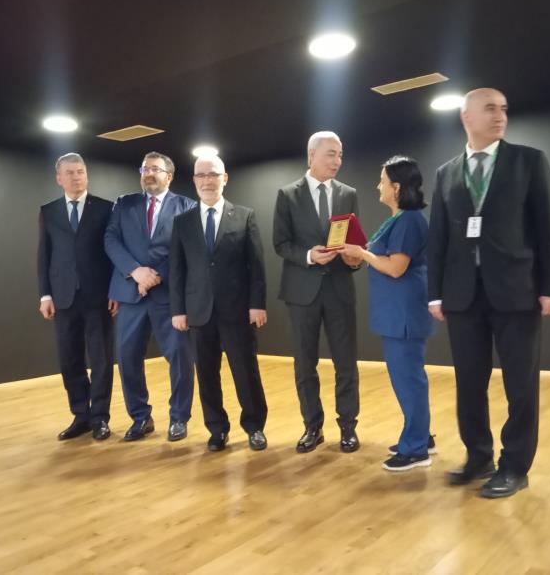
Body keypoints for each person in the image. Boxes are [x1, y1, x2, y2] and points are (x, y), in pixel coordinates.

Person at [428, 88, 550, 498]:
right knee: (469, 382)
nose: (500, 115)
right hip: (462, 295)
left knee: (520, 384)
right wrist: (435, 293)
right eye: (490, 108)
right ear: (466, 117)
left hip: (517, 292)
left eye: (503, 108)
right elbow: (438, 238)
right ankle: (478, 456)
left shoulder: (528, 161)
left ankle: (515, 466)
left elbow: (546, 227)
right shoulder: (447, 173)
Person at [340, 156, 435, 471]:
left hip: (403, 314)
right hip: (396, 313)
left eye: (382, 181)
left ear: (396, 187)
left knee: (409, 381)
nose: (377, 186)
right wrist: (359, 253)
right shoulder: (399, 219)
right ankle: (420, 437)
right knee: (409, 378)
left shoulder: (409, 221)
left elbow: (396, 268)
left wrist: (363, 253)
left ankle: (416, 449)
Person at [169, 155, 268, 452]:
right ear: (194, 180)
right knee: (206, 374)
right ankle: (217, 429)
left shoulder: (244, 216)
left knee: (245, 371)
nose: (207, 181)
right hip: (198, 311)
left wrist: (257, 304)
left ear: (224, 178)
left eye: (213, 174)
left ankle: (255, 427)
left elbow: (256, 265)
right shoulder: (182, 222)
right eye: (201, 175)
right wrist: (178, 310)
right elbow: (177, 270)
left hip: (237, 310)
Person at [273, 131, 363, 454]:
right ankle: (313, 426)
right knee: (304, 364)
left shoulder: (348, 194)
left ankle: (348, 427)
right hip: (301, 291)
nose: (337, 161)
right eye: (331, 154)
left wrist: (355, 259)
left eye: (340, 155)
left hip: (339, 288)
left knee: (346, 363)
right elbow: (281, 243)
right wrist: (309, 256)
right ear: (311, 155)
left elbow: (354, 241)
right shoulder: (287, 195)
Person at [104, 152, 196, 442]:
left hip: (170, 295)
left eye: (155, 169)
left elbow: (188, 249)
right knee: (127, 357)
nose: (149, 173)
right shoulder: (124, 203)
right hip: (131, 294)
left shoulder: (187, 206)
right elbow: (111, 240)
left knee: (180, 357)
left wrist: (155, 275)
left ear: (169, 175)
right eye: (145, 169)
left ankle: (179, 418)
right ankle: (140, 417)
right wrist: (135, 271)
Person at [37, 152, 117, 441]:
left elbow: (113, 253)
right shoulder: (49, 211)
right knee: (69, 359)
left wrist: (116, 291)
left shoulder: (106, 208)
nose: (77, 177)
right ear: (59, 178)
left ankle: (100, 418)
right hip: (63, 297)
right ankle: (81, 415)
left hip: (99, 296)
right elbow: (44, 255)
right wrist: (45, 295)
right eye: (70, 173)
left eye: (81, 171)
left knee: (101, 359)